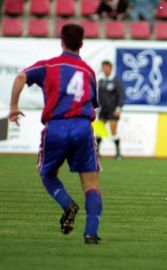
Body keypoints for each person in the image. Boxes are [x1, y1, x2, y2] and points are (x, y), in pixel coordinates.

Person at [8, 24, 103, 244]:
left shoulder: (49, 65)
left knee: (48, 174)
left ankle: (67, 204)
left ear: (61, 41)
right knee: (91, 186)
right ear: (81, 44)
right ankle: (91, 233)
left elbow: (21, 76)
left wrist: (13, 107)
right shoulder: (88, 71)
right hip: (82, 126)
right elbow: (94, 105)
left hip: (56, 126)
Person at [96, 60, 125, 160]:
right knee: (99, 130)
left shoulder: (116, 81)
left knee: (113, 130)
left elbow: (121, 95)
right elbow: (99, 96)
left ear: (111, 68)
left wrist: (118, 108)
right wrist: (97, 107)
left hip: (113, 110)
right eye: (103, 68)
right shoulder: (101, 81)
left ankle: (118, 153)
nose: (105, 70)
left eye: (107, 67)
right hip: (103, 110)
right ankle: (97, 152)